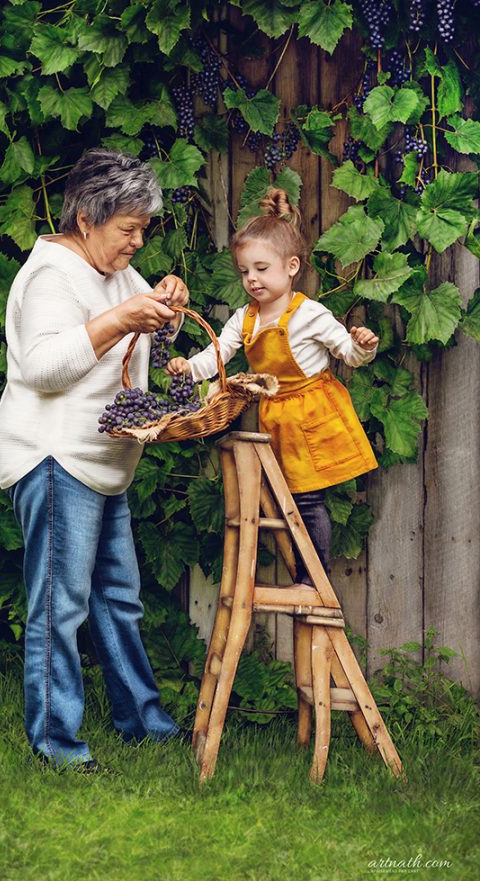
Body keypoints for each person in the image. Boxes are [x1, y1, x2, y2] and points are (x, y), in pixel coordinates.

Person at [0, 148, 189, 771]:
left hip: (101, 463)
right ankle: (57, 746)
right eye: (126, 228)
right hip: (55, 460)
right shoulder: (52, 275)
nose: (136, 241)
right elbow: (46, 369)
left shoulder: (113, 272)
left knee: (117, 598)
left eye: (142, 229)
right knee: (61, 606)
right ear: (85, 218)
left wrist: (166, 306)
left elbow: (141, 325)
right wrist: (119, 318)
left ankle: (143, 724)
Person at [166, 188, 379, 587]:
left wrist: (363, 346)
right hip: (276, 417)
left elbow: (347, 353)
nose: (252, 279)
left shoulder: (309, 313)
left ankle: (314, 580)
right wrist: (187, 369)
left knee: (309, 500)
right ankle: (304, 574)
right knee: (285, 502)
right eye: (245, 271)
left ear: (291, 266)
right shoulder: (243, 318)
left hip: (313, 415)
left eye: (261, 269)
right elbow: (218, 354)